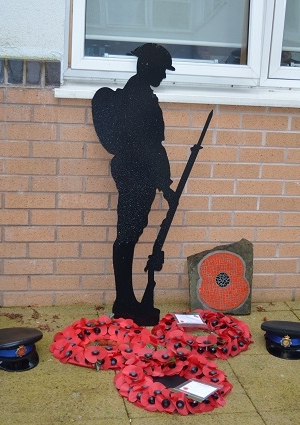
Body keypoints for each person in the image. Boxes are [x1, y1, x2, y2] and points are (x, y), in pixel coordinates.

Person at [94, 43, 178, 325]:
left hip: (135, 173)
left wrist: (164, 184)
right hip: (136, 175)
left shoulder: (138, 95)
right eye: (162, 71)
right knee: (127, 236)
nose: (164, 76)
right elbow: (151, 146)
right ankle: (125, 301)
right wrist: (165, 186)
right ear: (148, 67)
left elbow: (152, 146)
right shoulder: (140, 99)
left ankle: (125, 300)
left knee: (129, 235)